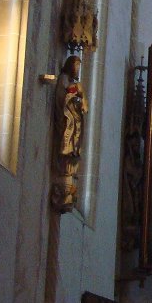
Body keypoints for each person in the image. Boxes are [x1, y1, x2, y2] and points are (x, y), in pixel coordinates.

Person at [52, 55, 88, 212]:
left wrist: (80, 100)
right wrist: (75, 94)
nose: (78, 70)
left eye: (79, 68)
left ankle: (71, 159)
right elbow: (62, 97)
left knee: (75, 135)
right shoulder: (64, 80)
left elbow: (78, 96)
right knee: (69, 133)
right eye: (76, 67)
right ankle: (66, 176)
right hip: (66, 118)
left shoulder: (73, 83)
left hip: (74, 119)